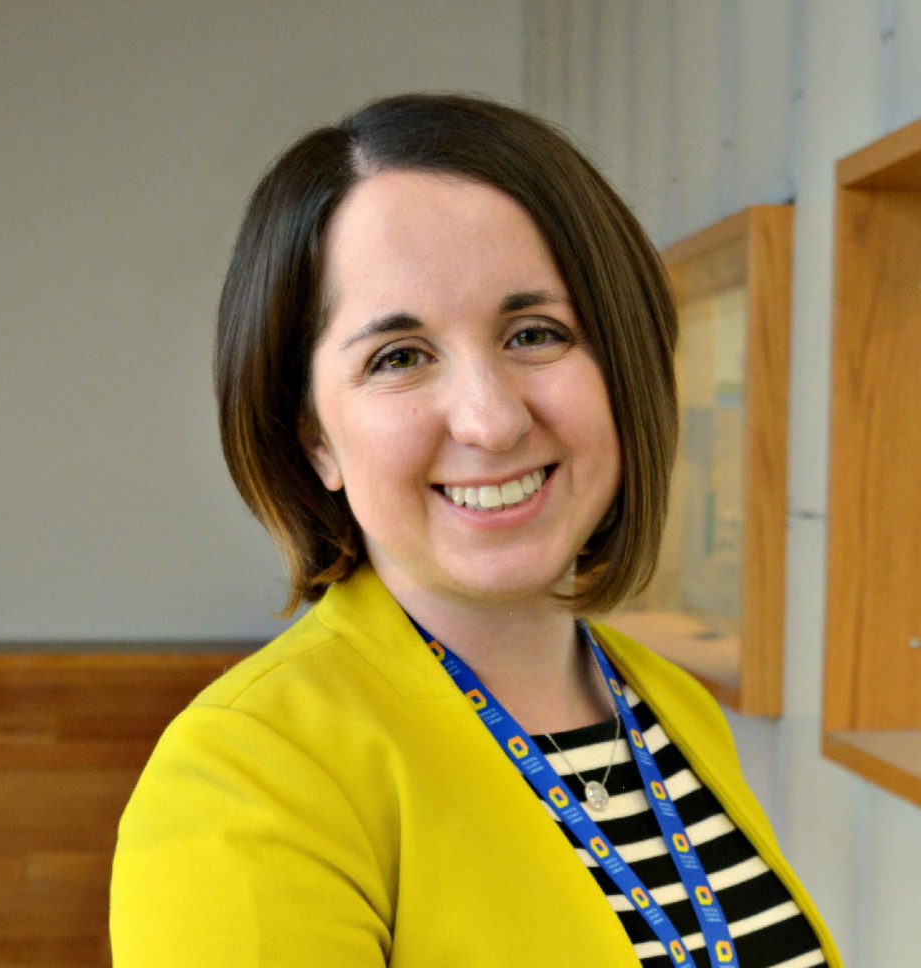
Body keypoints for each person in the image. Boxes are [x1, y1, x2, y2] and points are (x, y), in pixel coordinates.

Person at [110, 93, 842, 967]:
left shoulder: (670, 705)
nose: (490, 422)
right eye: (400, 357)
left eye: (536, 333)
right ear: (313, 438)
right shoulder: (249, 775)